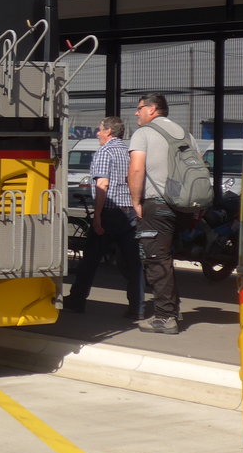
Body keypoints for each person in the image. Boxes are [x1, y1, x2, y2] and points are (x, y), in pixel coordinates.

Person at [128, 93, 200, 335]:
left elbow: (136, 168)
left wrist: (135, 201)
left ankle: (165, 317)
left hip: (157, 206)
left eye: (139, 108)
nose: (136, 113)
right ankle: (172, 309)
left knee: (156, 261)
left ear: (152, 109)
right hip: (183, 206)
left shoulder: (144, 133)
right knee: (165, 259)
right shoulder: (185, 134)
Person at [63, 116, 144, 318]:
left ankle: (77, 300)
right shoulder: (128, 151)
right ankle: (137, 307)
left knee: (90, 259)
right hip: (129, 212)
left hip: (110, 212)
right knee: (133, 263)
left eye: (100, 129)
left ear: (108, 131)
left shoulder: (104, 151)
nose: (98, 133)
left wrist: (97, 215)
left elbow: (102, 185)